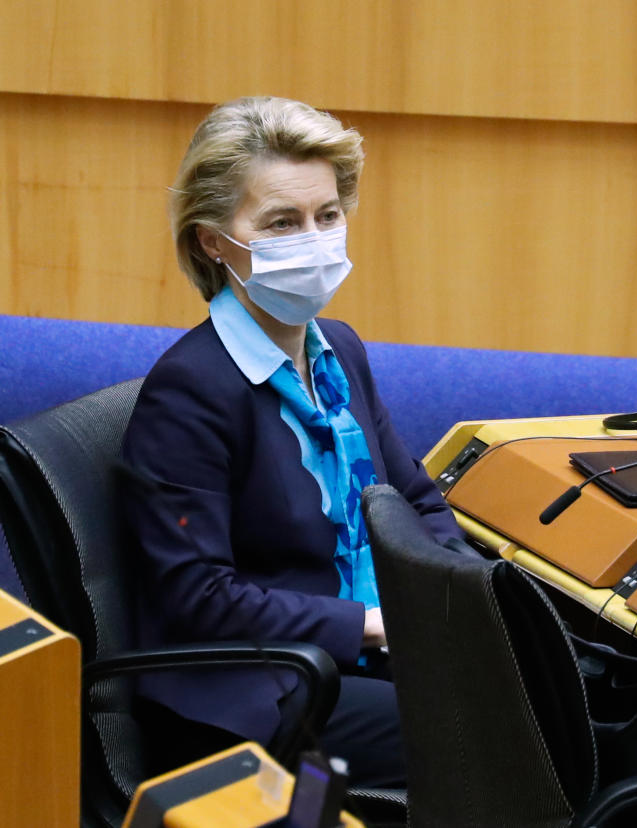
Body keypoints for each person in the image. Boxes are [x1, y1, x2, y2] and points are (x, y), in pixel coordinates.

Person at [121, 96, 465, 788]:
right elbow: (200, 597)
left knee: (574, 688)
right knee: (499, 733)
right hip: (262, 687)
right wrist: (373, 622)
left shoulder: (337, 349)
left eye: (327, 216)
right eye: (282, 222)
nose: (315, 239)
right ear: (212, 241)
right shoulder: (189, 391)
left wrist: (461, 597)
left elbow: (416, 500)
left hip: (364, 651)